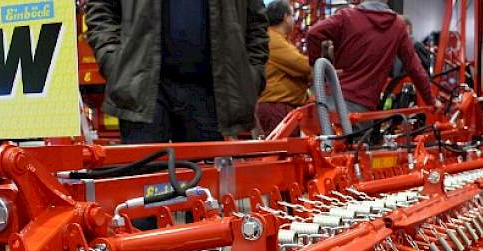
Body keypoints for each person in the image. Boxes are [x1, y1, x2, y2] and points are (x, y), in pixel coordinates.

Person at [85, 0, 269, 144]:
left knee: (205, 186)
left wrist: (251, 75)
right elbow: (101, 9)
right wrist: (113, 60)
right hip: (143, 89)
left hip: (210, 95)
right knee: (143, 185)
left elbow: (256, 23)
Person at [305, 1, 438, 114]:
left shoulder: (346, 17)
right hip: (361, 109)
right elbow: (415, 68)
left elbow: (313, 34)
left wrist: (314, 68)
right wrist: (431, 101)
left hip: (327, 102)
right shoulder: (398, 26)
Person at [257, 1, 311, 134]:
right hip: (276, 107)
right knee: (282, 152)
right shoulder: (273, 40)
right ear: (286, 17)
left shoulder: (277, 39)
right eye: (292, 15)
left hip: (279, 106)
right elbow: (303, 66)